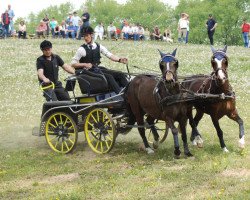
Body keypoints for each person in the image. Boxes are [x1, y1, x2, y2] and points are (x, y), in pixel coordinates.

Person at [71, 26, 128, 94]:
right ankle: (121, 96)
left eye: (87, 36)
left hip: (96, 69)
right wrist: (85, 64)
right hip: (87, 72)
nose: (85, 38)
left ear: (92, 35)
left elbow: (110, 55)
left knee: (120, 74)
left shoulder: (98, 46)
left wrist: (120, 59)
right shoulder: (81, 49)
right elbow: (73, 63)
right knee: (109, 77)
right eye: (84, 36)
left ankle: (129, 93)